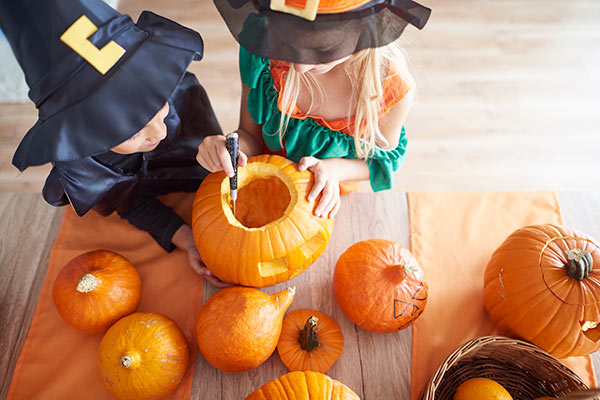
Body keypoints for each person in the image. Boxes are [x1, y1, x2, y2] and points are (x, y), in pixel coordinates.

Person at [0, 0, 227, 286]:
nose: (158, 133)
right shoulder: (87, 166)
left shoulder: (180, 93)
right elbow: (131, 203)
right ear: (85, 137)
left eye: (160, 109)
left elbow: (209, 146)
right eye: (133, 133)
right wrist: (185, 238)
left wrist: (218, 148)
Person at [197, 0, 431, 218]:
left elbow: (382, 162)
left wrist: (335, 170)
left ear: (366, 30)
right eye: (286, 45)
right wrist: (230, 150)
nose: (300, 67)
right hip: (265, 187)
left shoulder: (390, 91)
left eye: (322, 50)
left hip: (327, 201)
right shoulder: (263, 50)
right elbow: (251, 137)